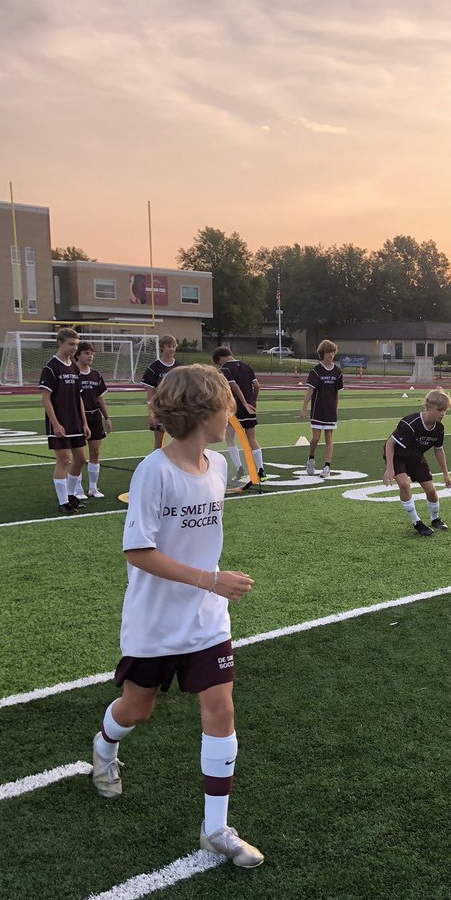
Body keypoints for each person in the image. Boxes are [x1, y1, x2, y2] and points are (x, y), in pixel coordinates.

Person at [90, 364, 262, 867]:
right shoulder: (154, 471)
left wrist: (210, 587)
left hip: (207, 618)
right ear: (204, 413)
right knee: (137, 710)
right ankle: (104, 747)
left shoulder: (219, 466)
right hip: (156, 620)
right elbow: (137, 551)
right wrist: (211, 579)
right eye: (226, 407)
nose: (231, 416)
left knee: (221, 709)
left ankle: (216, 828)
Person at [382, 388, 451, 536]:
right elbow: (390, 443)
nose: (443, 414)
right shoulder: (410, 422)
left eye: (445, 410)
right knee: (404, 485)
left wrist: (446, 474)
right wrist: (389, 469)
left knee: (431, 491)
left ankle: (435, 519)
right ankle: (416, 522)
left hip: (415, 457)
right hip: (397, 456)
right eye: (440, 410)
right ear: (429, 407)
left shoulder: (439, 428)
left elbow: (439, 450)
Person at [39, 327, 90, 515]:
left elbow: (79, 397)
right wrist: (55, 424)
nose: (74, 348)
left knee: (80, 459)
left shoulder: (74, 367)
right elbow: (46, 398)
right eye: (71, 344)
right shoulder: (51, 367)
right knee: (64, 459)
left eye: (76, 344)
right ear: (60, 343)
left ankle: (70, 495)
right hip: (59, 421)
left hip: (75, 421)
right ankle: (63, 503)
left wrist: (84, 422)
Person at [212, 346, 265, 489]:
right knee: (252, 439)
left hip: (235, 408)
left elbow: (234, 386)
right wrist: (252, 401)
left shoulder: (225, 369)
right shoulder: (247, 366)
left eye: (219, 363)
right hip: (250, 408)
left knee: (229, 438)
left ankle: (240, 468)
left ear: (220, 359)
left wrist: (244, 403)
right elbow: (257, 385)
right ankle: (261, 470)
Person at [300, 339, 343, 477]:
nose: (331, 355)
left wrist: (336, 408)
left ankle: (327, 467)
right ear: (322, 353)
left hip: (330, 411)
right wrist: (304, 408)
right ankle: (311, 458)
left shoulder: (337, 372)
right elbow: (310, 391)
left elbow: (336, 393)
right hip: (318, 410)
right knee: (316, 438)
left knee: (329, 438)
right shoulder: (316, 371)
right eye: (328, 352)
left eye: (332, 352)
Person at [76, 341, 112, 498]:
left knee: (95, 452)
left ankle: (93, 488)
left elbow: (100, 398)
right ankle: (77, 489)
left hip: (95, 416)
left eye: (92, 353)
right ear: (78, 354)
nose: (90, 356)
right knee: (79, 456)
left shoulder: (96, 375)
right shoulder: (73, 374)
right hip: (77, 417)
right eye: (86, 353)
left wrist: (107, 417)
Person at [141, 335, 179, 450]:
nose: (172, 349)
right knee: (159, 442)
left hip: (177, 409)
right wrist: (151, 414)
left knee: (178, 442)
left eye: (174, 346)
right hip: (160, 409)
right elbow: (150, 393)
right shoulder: (154, 367)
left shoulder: (179, 367)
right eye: (169, 346)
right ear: (162, 347)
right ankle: (156, 462)